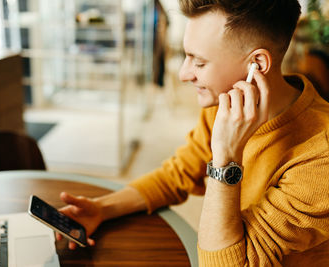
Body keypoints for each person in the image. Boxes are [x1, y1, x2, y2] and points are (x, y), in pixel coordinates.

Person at [56, 0, 329, 266]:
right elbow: (176, 175)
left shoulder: (321, 155)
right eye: (185, 57)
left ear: (256, 64)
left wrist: (226, 158)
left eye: (198, 62)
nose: (183, 74)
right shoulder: (225, 104)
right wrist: (102, 209)